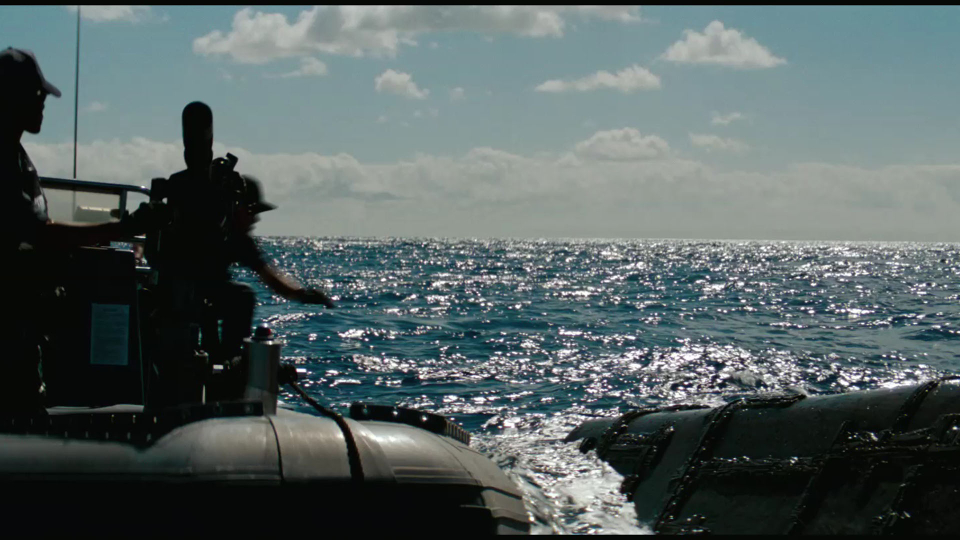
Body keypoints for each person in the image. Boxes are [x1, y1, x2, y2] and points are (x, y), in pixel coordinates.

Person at [1, 47, 165, 414]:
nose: (44, 103)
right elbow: (41, 234)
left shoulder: (18, 157)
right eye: (37, 94)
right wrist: (125, 227)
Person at [145, 101, 332, 404]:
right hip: (174, 294)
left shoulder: (235, 238)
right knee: (240, 297)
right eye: (252, 210)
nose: (254, 218)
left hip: (202, 298)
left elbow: (271, 277)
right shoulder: (203, 215)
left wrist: (304, 295)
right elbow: (154, 247)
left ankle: (228, 371)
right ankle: (229, 370)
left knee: (237, 297)